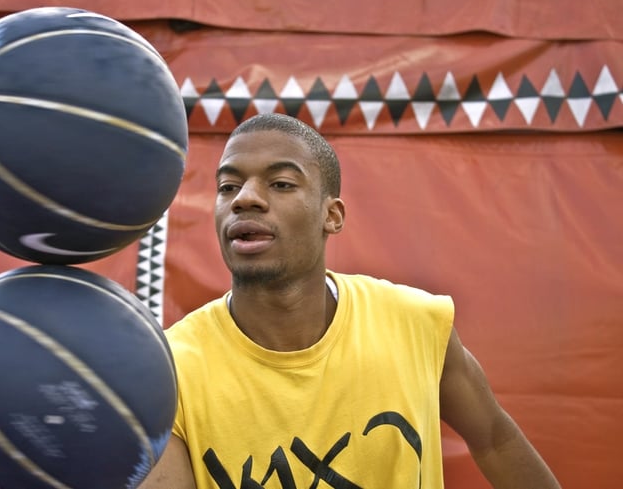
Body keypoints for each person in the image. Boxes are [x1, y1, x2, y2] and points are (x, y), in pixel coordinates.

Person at [140, 113, 561, 489]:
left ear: (332, 215)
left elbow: (495, 441)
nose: (244, 198)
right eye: (228, 186)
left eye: (281, 183)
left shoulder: (416, 324)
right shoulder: (170, 370)